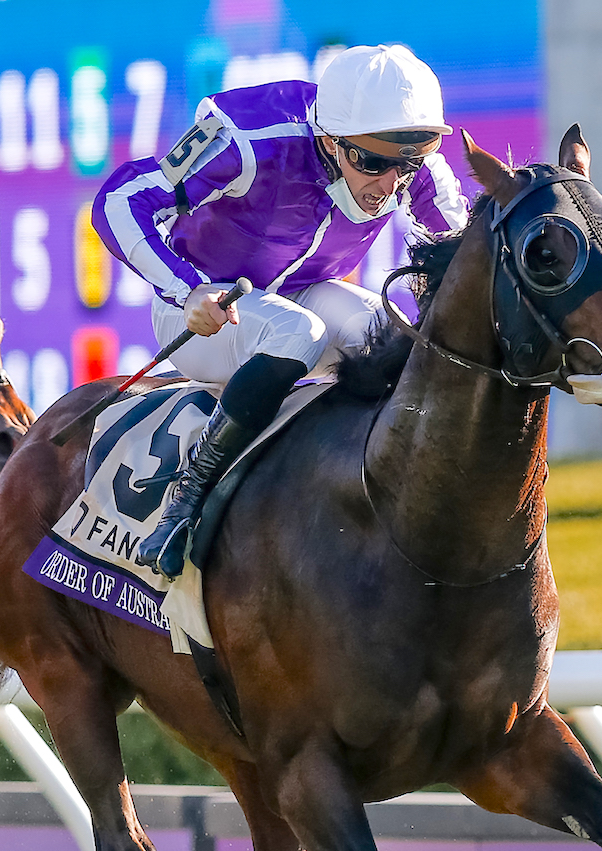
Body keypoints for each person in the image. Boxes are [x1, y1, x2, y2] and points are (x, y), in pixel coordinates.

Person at [94, 44, 470, 577]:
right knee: (300, 332)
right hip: (210, 312)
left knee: (393, 337)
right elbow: (118, 200)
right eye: (372, 162)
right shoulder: (247, 141)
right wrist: (187, 290)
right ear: (329, 139)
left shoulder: (410, 164)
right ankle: (185, 502)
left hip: (307, 290)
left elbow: (461, 262)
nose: (389, 184)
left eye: (407, 166)